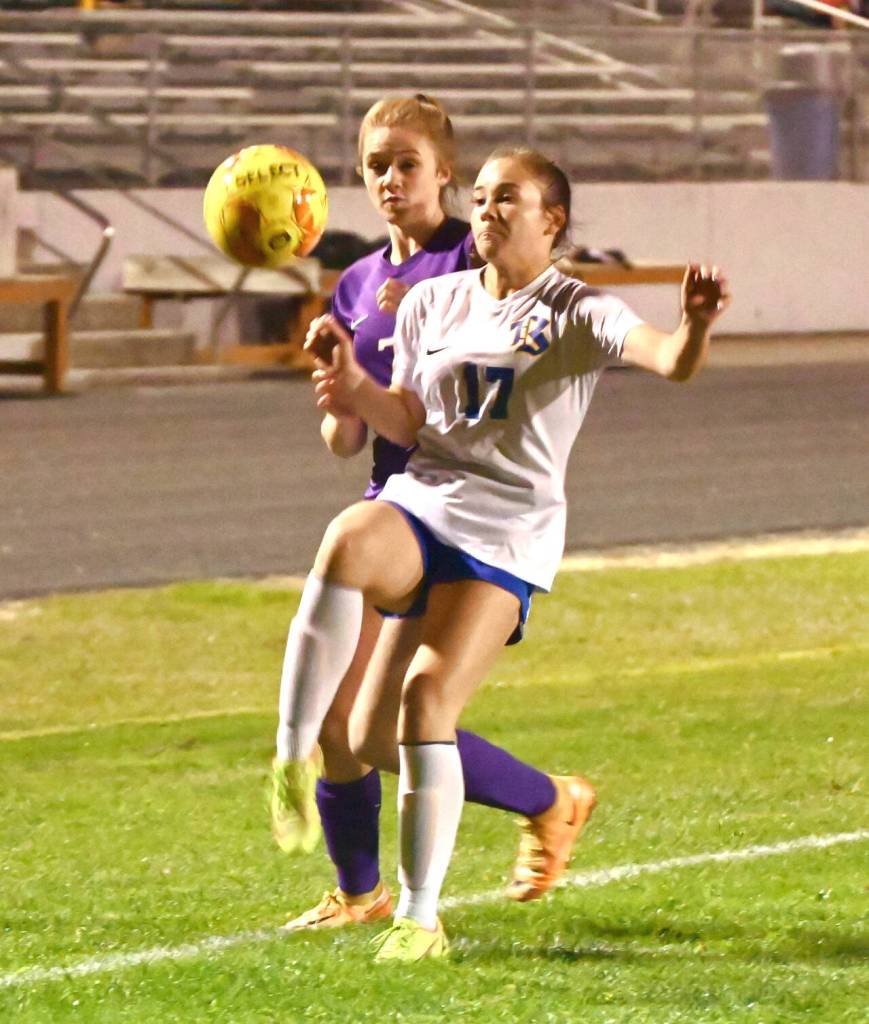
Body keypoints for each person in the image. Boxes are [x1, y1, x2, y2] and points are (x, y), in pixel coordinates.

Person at [276, 142, 730, 961]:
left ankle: (420, 917)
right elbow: (409, 422)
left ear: (551, 220)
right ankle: (286, 755)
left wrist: (693, 323)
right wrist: (352, 388)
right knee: (348, 539)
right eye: (480, 196)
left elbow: (669, 360)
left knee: (414, 713)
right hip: (424, 500)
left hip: (504, 530)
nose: (484, 210)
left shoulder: (573, 307)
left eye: (506, 198)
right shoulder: (430, 301)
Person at [271, 97, 597, 933]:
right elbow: (345, 437)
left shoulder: (476, 251)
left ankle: (548, 801)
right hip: (394, 502)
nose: (389, 179)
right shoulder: (355, 282)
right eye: (375, 165)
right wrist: (337, 394)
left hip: (465, 516)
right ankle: (361, 893)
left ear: (446, 172)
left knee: (399, 720)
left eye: (406, 163)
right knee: (342, 730)